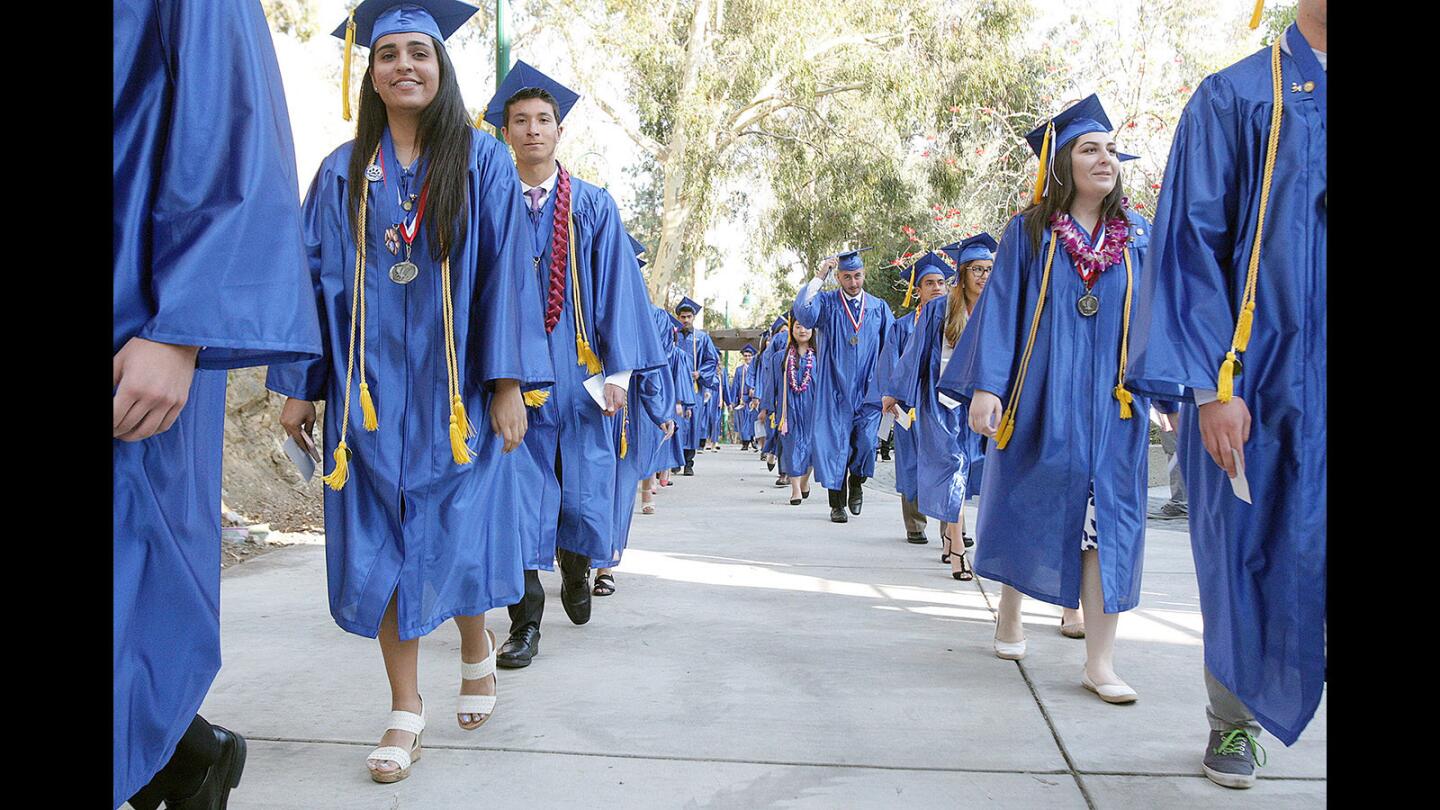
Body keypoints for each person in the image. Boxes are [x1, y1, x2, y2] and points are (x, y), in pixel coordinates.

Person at [269, 0, 552, 782]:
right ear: (371, 72)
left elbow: (504, 277)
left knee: (451, 534)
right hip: (368, 400)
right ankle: (404, 709)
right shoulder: (341, 171)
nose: (404, 66)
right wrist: (301, 386)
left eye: (418, 52)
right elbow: (312, 286)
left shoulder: (483, 164)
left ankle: (473, 643)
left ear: (442, 65)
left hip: (454, 397)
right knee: (383, 544)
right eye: (388, 53)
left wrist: (506, 385)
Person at [114, 1, 323, 806]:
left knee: (129, 581)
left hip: (136, 327)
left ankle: (180, 755)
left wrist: (186, 325)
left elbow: (232, 122)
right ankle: (185, 758)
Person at [1125, 0, 1326, 788]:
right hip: (1258, 375)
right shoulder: (1237, 97)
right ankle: (1233, 724)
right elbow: (1191, 245)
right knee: (1243, 548)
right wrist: (1212, 384)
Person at [939, 94, 1154, 704]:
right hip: (1042, 394)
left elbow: (1158, 316)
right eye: (1090, 148)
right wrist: (987, 388)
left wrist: (1162, 386)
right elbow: (1002, 310)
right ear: (1061, 163)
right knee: (1031, 499)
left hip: (1114, 404)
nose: (1106, 158)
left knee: (1106, 522)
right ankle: (1012, 607)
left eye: (1112, 149)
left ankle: (1100, 661)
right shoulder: (1031, 232)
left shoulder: (1138, 235)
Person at [483, 61, 666, 664]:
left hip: (579, 370)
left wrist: (617, 372)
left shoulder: (591, 205)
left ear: (559, 131)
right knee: (515, 494)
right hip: (512, 372)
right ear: (505, 132)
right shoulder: (489, 203)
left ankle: (578, 564)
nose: (532, 130)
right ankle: (525, 619)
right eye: (520, 121)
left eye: (543, 120)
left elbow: (617, 287)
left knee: (582, 490)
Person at [792, 249, 896, 523]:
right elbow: (803, 312)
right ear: (838, 277)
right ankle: (836, 504)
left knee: (864, 442)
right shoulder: (826, 303)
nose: (853, 282)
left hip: (869, 388)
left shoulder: (878, 307)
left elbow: (892, 347)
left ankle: (857, 482)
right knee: (834, 445)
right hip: (834, 389)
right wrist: (818, 277)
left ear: (864, 275)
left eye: (857, 276)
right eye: (847, 277)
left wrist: (891, 388)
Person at [880, 252, 950, 546]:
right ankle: (915, 524)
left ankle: (952, 531)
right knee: (911, 464)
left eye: (941, 282)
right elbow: (890, 363)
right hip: (911, 406)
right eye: (929, 283)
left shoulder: (956, 321)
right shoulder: (902, 326)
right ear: (916, 290)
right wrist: (891, 396)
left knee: (949, 463)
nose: (936, 288)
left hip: (946, 405)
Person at [777, 318, 819, 505]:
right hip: (790, 408)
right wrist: (773, 409)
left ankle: (804, 481)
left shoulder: (820, 356)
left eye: (806, 326)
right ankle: (795, 490)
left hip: (813, 407)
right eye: (798, 326)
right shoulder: (783, 357)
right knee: (791, 445)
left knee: (811, 448)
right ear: (792, 329)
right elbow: (774, 385)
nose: (802, 330)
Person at [676, 297, 720, 474]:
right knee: (676, 420)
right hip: (676, 386)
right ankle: (674, 461)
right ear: (678, 317)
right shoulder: (672, 336)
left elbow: (711, 360)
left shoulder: (702, 338)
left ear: (693, 317)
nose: (685, 320)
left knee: (693, 422)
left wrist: (700, 373)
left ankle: (688, 463)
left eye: (688, 316)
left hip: (695, 386)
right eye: (682, 317)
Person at [730, 345, 760, 450]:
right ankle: (745, 442)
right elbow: (735, 385)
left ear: (753, 357)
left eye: (749, 356)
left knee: (753, 420)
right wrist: (733, 400)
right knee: (743, 421)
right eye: (745, 356)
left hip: (753, 398)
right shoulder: (739, 370)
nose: (747, 358)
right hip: (743, 399)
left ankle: (754, 439)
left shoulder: (757, 369)